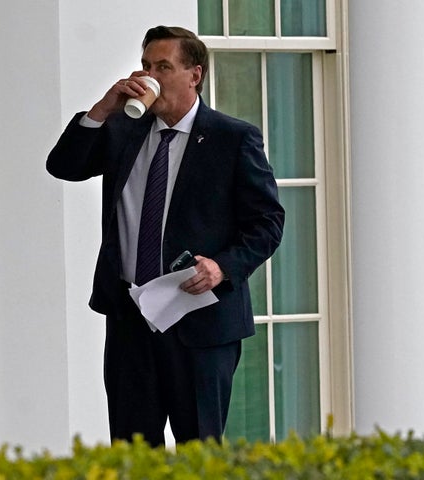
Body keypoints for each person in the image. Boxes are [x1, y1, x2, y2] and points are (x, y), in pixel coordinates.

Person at [47, 25, 284, 446]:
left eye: (163, 67)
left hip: (200, 322)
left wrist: (223, 267)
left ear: (194, 75)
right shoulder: (123, 130)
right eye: (145, 65)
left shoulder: (233, 138)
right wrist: (102, 109)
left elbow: (267, 223)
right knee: (133, 453)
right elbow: (64, 166)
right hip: (130, 320)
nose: (149, 76)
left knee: (199, 452)